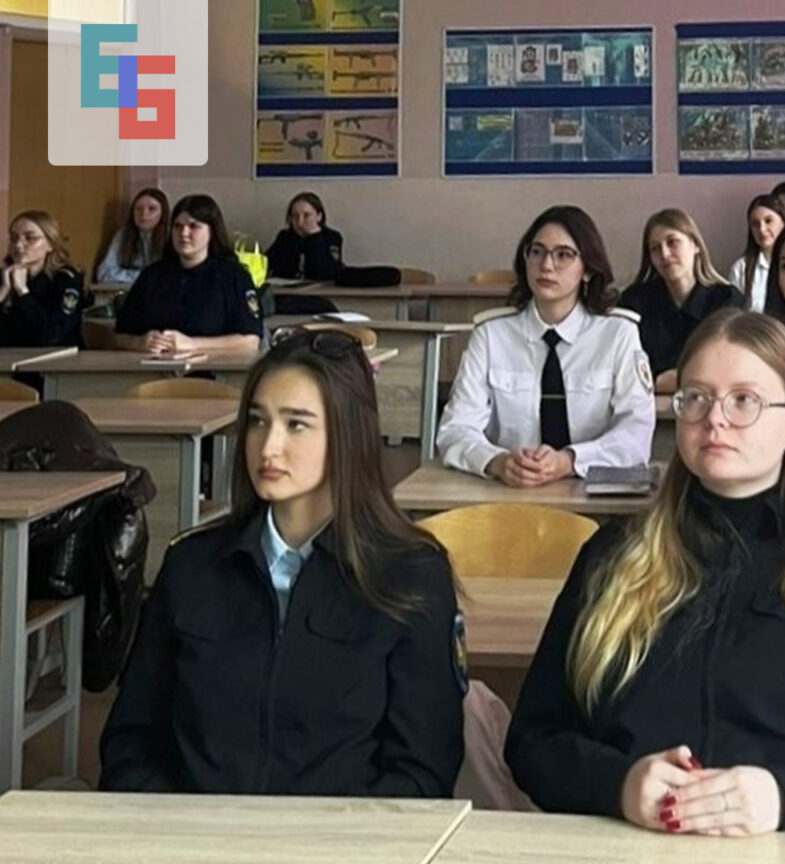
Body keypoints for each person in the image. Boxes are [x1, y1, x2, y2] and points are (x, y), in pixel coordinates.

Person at [505, 308, 785, 834]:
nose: (714, 419)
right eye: (696, 398)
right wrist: (619, 784)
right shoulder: (614, 557)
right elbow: (533, 740)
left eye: (744, 400)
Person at [99, 328, 464, 795]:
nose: (268, 447)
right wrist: (177, 824)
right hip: (193, 833)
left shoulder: (411, 574)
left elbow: (422, 774)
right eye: (257, 421)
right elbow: (130, 744)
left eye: (296, 425)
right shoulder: (191, 565)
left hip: (341, 835)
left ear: (347, 434)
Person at [437, 205, 655, 486]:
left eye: (563, 255)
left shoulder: (618, 334)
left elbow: (636, 433)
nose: (546, 265)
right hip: (510, 492)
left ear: (588, 270)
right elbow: (455, 429)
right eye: (537, 252)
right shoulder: (491, 335)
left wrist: (569, 461)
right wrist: (497, 462)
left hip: (590, 490)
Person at [112, 194, 263, 355]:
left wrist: (193, 344)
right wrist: (139, 343)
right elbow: (118, 336)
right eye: (177, 226)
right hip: (154, 367)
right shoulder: (152, 276)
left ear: (212, 231)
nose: (184, 233)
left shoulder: (234, 277)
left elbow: (250, 341)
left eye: (193, 226)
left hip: (215, 368)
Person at [621, 209, 744, 394]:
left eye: (672, 242)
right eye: (655, 248)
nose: (664, 254)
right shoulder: (634, 301)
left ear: (695, 245)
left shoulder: (727, 299)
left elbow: (731, 364)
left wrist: (677, 380)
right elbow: (623, 367)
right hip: (646, 404)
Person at [1, 210, 86, 347]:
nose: (18, 245)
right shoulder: (5, 275)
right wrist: (3, 292)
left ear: (50, 244)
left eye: (30, 238)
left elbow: (51, 335)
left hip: (56, 357)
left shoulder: (65, 278)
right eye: (14, 238)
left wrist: (23, 292)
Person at [727, 195, 785, 313]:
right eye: (755, 224)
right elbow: (733, 315)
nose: (762, 229)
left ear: (783, 222)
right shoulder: (741, 268)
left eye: (768, 221)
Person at [267, 192, 345, 281]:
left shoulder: (332, 237)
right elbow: (267, 264)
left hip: (321, 288)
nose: (300, 222)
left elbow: (326, 273)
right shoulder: (284, 237)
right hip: (286, 288)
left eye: (306, 215)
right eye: (295, 216)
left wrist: (315, 236)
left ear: (319, 216)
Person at [96, 187, 168, 285]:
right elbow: (104, 273)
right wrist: (145, 277)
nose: (143, 214)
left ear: (163, 213)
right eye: (138, 209)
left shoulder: (170, 236)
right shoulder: (123, 234)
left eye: (151, 209)